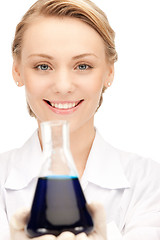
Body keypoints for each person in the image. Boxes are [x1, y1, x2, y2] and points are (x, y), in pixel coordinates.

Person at [0, 0, 160, 239]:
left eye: (83, 65)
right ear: (17, 71)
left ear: (109, 72)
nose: (63, 86)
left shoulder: (149, 180)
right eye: (43, 66)